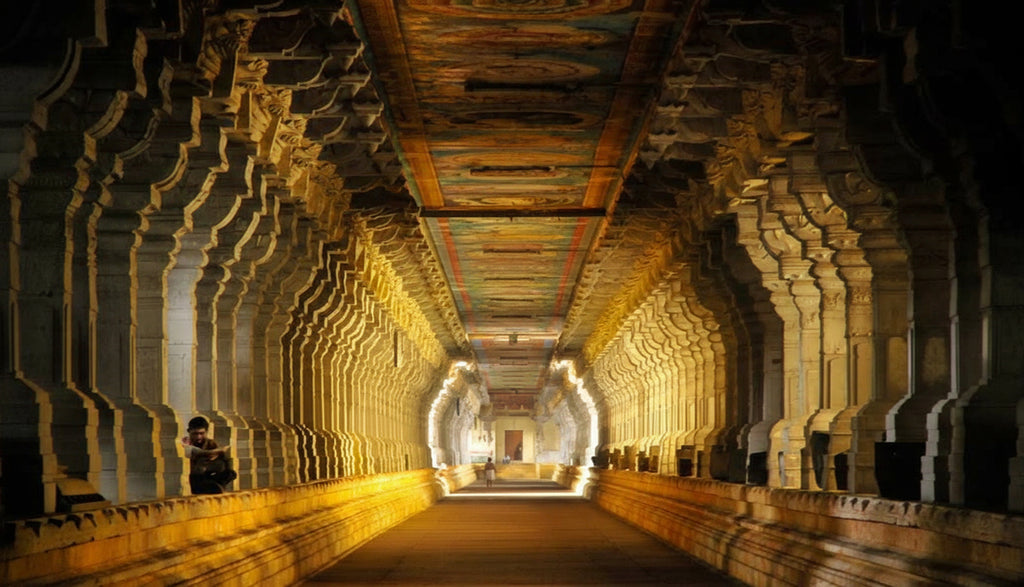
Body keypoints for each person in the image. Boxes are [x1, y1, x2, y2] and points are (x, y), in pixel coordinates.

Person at [182, 416, 236, 494]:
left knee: (230, 473)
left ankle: (215, 486)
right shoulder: (185, 443)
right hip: (194, 477)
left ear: (206, 432)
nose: (198, 437)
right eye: (195, 434)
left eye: (201, 433)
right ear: (189, 431)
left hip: (209, 474)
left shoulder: (211, 444)